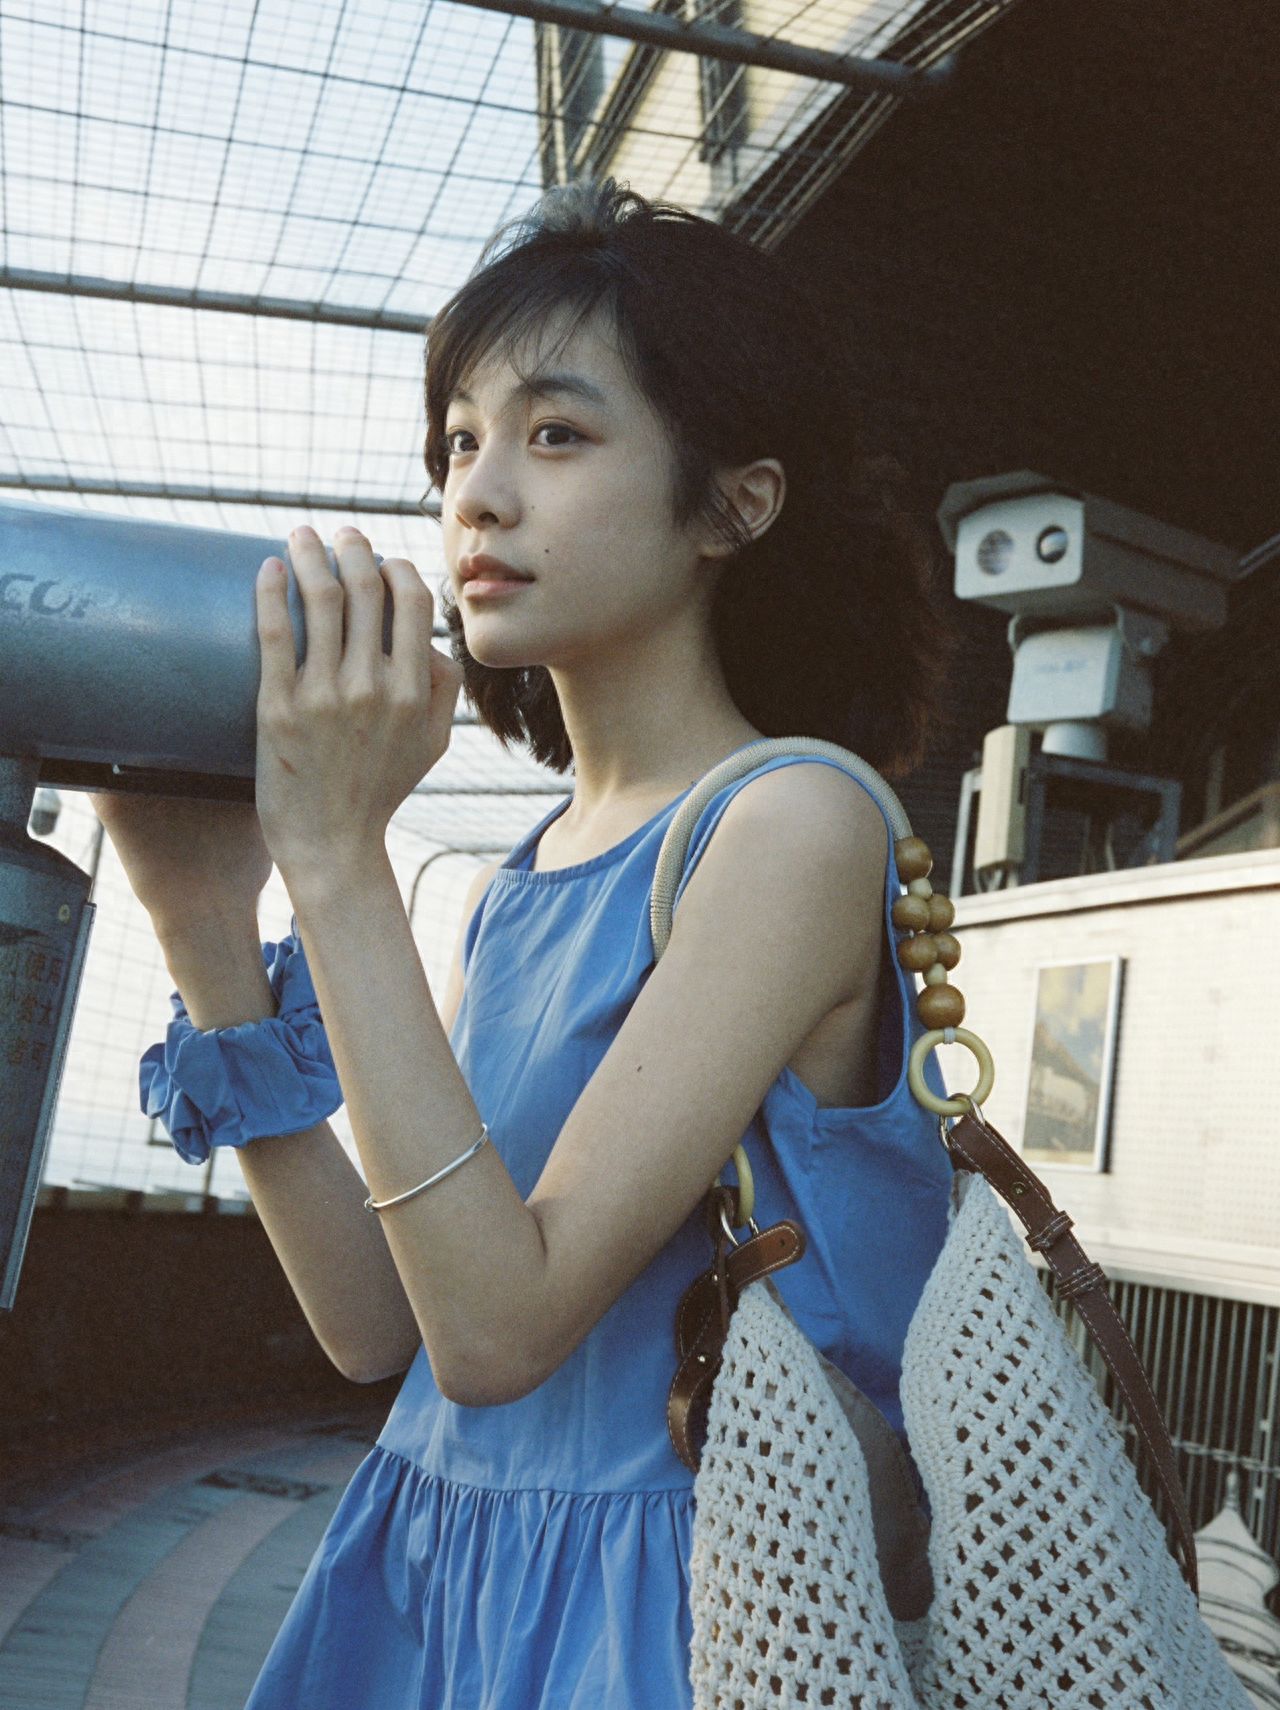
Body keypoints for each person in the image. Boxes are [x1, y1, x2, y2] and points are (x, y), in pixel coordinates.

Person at [92, 178, 961, 1708]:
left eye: (556, 435)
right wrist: (207, 924)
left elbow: (505, 1325)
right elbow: (383, 1327)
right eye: (459, 444)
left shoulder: (791, 826)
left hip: (671, 1617)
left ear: (732, 501)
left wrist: (338, 856)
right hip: (441, 1576)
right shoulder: (530, 869)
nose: (478, 494)